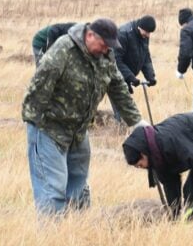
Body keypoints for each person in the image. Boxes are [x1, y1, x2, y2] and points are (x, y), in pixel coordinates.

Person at [22, 19, 145, 215]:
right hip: (49, 128)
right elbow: (38, 86)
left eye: (108, 47)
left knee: (79, 186)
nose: (105, 50)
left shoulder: (105, 55)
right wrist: (37, 126)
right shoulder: (64, 50)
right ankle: (52, 239)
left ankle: (78, 231)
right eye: (103, 45)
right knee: (53, 188)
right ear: (89, 36)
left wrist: (136, 121)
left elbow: (117, 86)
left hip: (78, 130)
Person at [112, 16, 158, 122]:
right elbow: (116, 61)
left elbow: (145, 56)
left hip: (126, 75)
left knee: (126, 104)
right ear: (139, 27)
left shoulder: (144, 36)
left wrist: (150, 76)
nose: (148, 35)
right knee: (121, 102)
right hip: (114, 75)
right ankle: (120, 129)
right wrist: (131, 77)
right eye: (146, 32)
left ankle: (123, 126)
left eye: (150, 33)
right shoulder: (123, 34)